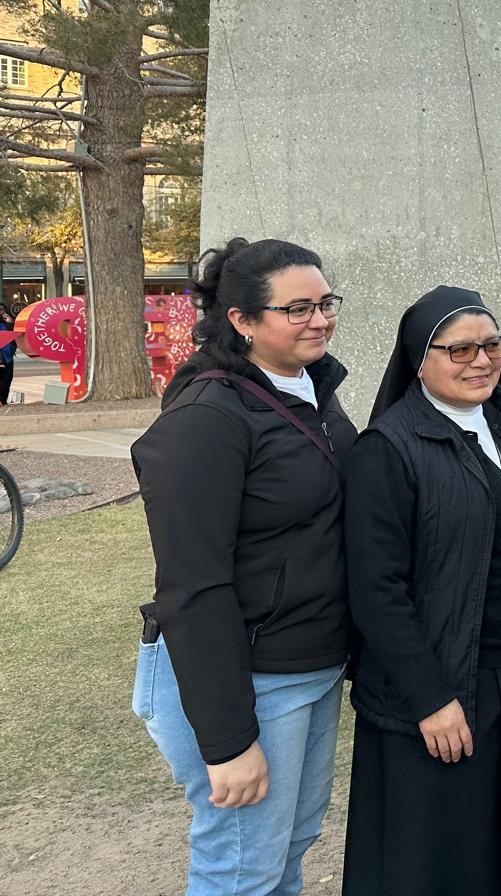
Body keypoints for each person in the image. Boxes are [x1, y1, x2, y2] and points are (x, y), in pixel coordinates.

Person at [131, 237, 356, 895]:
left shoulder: (309, 384)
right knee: (240, 870)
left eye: (325, 303)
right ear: (242, 320)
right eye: (298, 309)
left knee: (285, 851)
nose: (320, 319)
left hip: (311, 664)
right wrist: (228, 741)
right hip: (250, 680)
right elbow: (192, 586)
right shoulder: (209, 417)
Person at [341, 286, 501, 894]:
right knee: (441, 854)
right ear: (419, 359)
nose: (481, 360)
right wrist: (431, 698)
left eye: (492, 344)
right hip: (436, 679)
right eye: (459, 349)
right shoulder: (387, 450)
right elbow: (376, 590)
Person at [0, 305, 15, 404]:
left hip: (8, 358)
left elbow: (14, 334)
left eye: (2, 309)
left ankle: (3, 401)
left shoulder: (6, 323)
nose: (1, 312)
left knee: (7, 381)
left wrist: (11, 323)